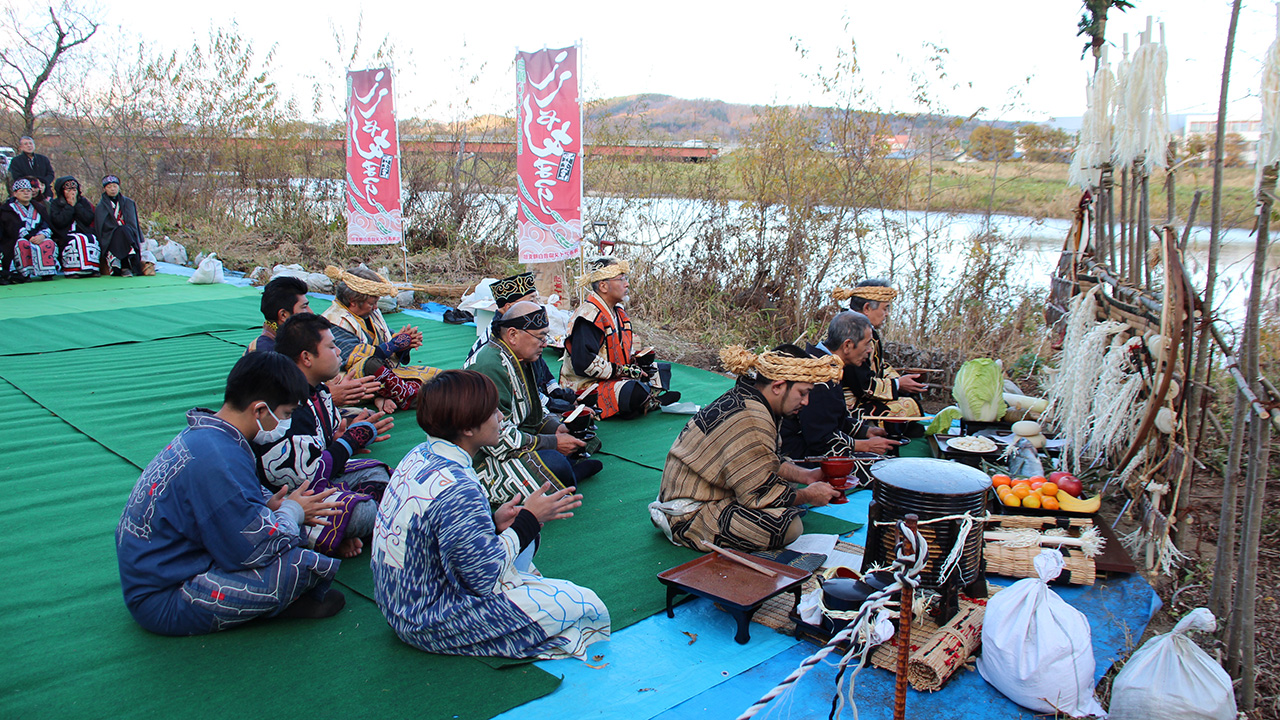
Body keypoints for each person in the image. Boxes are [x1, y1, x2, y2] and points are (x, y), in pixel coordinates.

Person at [371, 370, 610, 659]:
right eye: (493, 411)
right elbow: (484, 578)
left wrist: (495, 522)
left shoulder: (419, 454)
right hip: (427, 620)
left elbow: (443, 535)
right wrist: (528, 520)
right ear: (469, 428)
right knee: (584, 605)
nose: (500, 418)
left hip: (401, 604)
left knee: (528, 544)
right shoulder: (458, 488)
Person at [115, 352, 348, 636]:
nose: (286, 422)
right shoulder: (218, 457)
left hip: (161, 569)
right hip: (165, 597)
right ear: (260, 410)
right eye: (286, 414)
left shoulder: (210, 435)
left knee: (298, 531)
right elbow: (253, 548)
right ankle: (277, 605)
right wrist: (292, 512)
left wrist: (268, 506)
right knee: (299, 564)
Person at [650, 345, 843, 553]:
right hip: (688, 514)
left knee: (787, 493)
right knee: (789, 527)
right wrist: (808, 496)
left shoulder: (751, 397)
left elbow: (768, 462)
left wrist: (809, 476)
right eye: (803, 393)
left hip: (699, 493)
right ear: (778, 386)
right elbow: (758, 494)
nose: (806, 402)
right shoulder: (752, 419)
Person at [257, 313, 396, 559]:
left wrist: (339, 441)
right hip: (287, 496)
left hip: (318, 479)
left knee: (384, 476)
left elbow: (323, 448)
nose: (339, 352)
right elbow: (303, 477)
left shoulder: (320, 391)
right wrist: (349, 443)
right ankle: (318, 535)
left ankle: (335, 532)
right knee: (364, 513)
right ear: (306, 357)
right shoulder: (286, 403)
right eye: (331, 346)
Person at [465, 301, 603, 503]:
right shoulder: (490, 366)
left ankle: (566, 471)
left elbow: (533, 411)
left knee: (581, 435)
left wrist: (556, 429)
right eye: (540, 337)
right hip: (480, 461)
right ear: (512, 335)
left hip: (515, 440)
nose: (545, 343)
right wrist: (553, 443)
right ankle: (568, 475)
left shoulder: (519, 357)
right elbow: (497, 441)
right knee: (555, 464)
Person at [779, 311, 901, 474]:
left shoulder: (825, 364)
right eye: (867, 344)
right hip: (799, 455)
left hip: (812, 444)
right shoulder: (818, 376)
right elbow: (820, 439)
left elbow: (831, 418)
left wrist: (866, 432)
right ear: (848, 345)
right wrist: (865, 445)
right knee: (886, 470)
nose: (870, 350)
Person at [560, 257, 680, 419]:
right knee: (632, 392)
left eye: (626, 278)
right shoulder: (588, 316)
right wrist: (624, 371)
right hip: (587, 385)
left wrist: (636, 364)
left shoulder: (619, 313)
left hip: (616, 377)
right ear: (603, 286)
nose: (627, 284)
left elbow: (621, 354)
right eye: (621, 279)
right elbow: (584, 363)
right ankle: (648, 399)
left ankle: (647, 398)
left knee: (660, 370)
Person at [321, 265, 440, 414]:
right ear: (352, 301)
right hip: (350, 379)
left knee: (439, 377)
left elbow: (387, 344)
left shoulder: (371, 312)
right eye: (372, 303)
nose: (376, 307)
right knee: (370, 364)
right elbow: (360, 359)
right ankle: (412, 397)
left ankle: (386, 395)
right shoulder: (333, 321)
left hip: (384, 374)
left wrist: (404, 345)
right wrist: (394, 345)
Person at [248, 275, 379, 407]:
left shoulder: (295, 340)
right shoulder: (265, 354)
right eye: (304, 307)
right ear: (283, 315)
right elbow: (276, 409)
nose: (310, 312)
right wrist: (327, 398)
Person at [467, 270, 576, 410]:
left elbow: (541, 367)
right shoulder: (495, 344)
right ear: (510, 308)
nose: (539, 305)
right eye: (532, 300)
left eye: (537, 299)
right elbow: (517, 388)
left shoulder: (526, 332)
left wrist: (555, 392)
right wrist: (551, 404)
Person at [833, 280, 925, 422]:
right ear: (867, 308)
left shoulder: (862, 328)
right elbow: (862, 384)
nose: (887, 314)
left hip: (862, 396)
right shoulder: (850, 330)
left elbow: (879, 365)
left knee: (910, 401)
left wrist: (900, 381)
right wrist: (898, 384)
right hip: (847, 406)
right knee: (909, 406)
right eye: (885, 308)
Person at [1, 178, 56, 281]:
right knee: (22, 244)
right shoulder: (8, 209)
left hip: (38, 236)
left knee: (47, 242)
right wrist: (29, 237)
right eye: (22, 191)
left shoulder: (39, 207)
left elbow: (46, 224)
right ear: (15, 193)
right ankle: (24, 274)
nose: (26, 193)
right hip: (17, 238)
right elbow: (12, 227)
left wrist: (42, 235)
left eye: (28, 190)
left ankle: (46, 273)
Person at [48, 176, 100, 277]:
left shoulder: (83, 202)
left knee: (90, 238)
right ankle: (73, 270)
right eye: (68, 190)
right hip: (65, 233)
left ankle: (92, 268)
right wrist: (69, 207)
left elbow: (88, 219)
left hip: (83, 230)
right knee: (76, 240)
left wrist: (76, 205)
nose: (72, 192)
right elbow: (59, 222)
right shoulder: (55, 204)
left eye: (74, 189)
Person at [94, 174, 144, 276]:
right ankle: (123, 265)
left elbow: (133, 223)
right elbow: (102, 227)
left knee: (125, 230)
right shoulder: (101, 206)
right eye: (109, 187)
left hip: (127, 233)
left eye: (115, 186)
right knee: (121, 232)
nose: (112, 189)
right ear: (105, 189)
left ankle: (127, 264)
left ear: (119, 187)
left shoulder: (129, 203)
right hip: (111, 236)